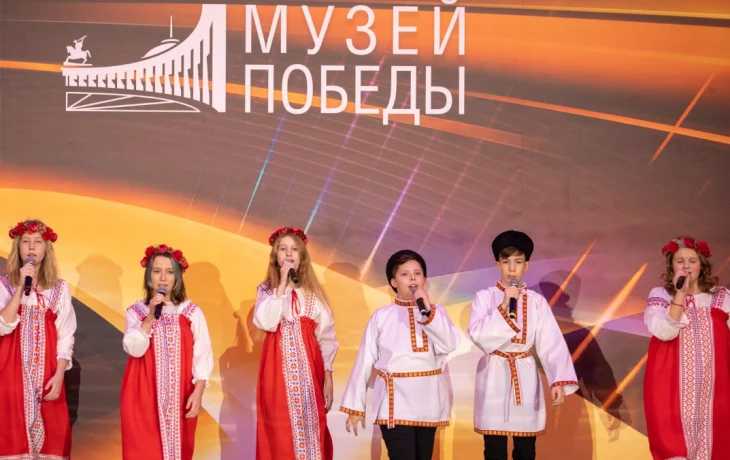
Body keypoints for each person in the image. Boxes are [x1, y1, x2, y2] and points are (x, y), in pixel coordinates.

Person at [340, 249, 461, 460]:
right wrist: (355, 406)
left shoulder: (436, 312)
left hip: (428, 401)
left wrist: (429, 312)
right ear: (394, 282)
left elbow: (449, 344)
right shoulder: (382, 316)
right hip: (395, 402)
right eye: (405, 274)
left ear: (424, 280)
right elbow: (364, 360)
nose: (412, 278)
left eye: (417, 273)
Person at [468, 230, 578, 460]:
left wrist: (557, 379)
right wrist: (504, 306)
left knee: (526, 448)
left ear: (526, 265)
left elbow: (551, 341)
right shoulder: (484, 297)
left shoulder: (537, 302)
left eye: (517, 262)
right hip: (494, 373)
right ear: (497, 264)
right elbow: (478, 336)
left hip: (524, 373)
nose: (511, 269)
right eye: (506, 262)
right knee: (494, 448)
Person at [121, 244, 214, 460]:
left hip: (180, 396)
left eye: (170, 272)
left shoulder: (190, 312)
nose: (163, 278)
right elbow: (134, 349)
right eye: (157, 271)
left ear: (177, 277)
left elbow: (203, 353)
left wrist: (198, 392)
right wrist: (150, 317)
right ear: (149, 276)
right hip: (142, 395)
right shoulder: (137, 312)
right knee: (144, 451)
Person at [254, 226, 339, 460]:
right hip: (276, 373)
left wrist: (328, 376)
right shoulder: (267, 291)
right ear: (275, 256)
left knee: (312, 428)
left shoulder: (313, 294)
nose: (289, 253)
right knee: (279, 432)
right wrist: (281, 286)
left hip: (310, 374)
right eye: (283, 249)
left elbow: (326, 338)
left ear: (302, 257)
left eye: (294, 249)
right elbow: (266, 322)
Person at [644, 236, 730, 460]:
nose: (686, 266)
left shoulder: (721, 297)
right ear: (671, 266)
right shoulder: (661, 295)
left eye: (692, 261)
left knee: (715, 444)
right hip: (670, 386)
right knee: (674, 445)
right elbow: (665, 332)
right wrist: (680, 294)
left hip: (713, 388)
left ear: (702, 264)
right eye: (680, 261)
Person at [0, 219, 76, 459]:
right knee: (10, 435)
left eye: (38, 242)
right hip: (11, 375)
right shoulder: (4, 286)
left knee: (52, 436)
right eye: (26, 242)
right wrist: (20, 287)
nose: (32, 247)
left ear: (46, 249)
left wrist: (60, 374)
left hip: (47, 374)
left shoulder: (59, 289)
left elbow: (66, 334)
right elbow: (3, 326)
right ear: (18, 247)